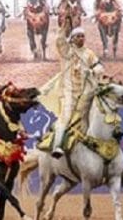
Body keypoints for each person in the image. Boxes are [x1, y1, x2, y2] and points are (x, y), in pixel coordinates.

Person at [45, 23, 105, 158]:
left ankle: (88, 144)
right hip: (68, 92)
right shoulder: (67, 52)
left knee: (89, 118)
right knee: (65, 118)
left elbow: (100, 67)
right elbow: (60, 41)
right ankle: (57, 146)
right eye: (78, 36)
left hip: (85, 92)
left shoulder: (89, 53)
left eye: (83, 36)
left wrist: (92, 71)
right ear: (72, 38)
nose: (81, 39)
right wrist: (64, 27)